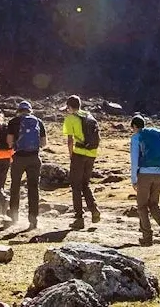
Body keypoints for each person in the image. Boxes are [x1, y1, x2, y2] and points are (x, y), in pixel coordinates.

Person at [130, 115, 160, 246]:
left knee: (142, 206)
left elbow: (134, 160)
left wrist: (134, 179)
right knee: (154, 204)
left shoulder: (137, 137)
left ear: (135, 126)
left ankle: (147, 236)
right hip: (159, 174)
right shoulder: (157, 137)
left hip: (144, 174)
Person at [6, 100, 47, 229]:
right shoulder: (38, 121)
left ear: (19, 110)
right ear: (30, 110)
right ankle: (33, 219)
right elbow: (44, 143)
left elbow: (9, 142)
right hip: (34, 158)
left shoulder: (13, 122)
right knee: (33, 188)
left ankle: (13, 216)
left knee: (15, 186)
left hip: (19, 158)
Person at [62, 95, 101, 229]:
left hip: (79, 153)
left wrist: (71, 155)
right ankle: (94, 210)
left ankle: (79, 217)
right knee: (85, 184)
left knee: (75, 185)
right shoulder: (89, 116)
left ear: (69, 107)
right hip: (92, 154)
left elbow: (70, 140)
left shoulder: (70, 118)